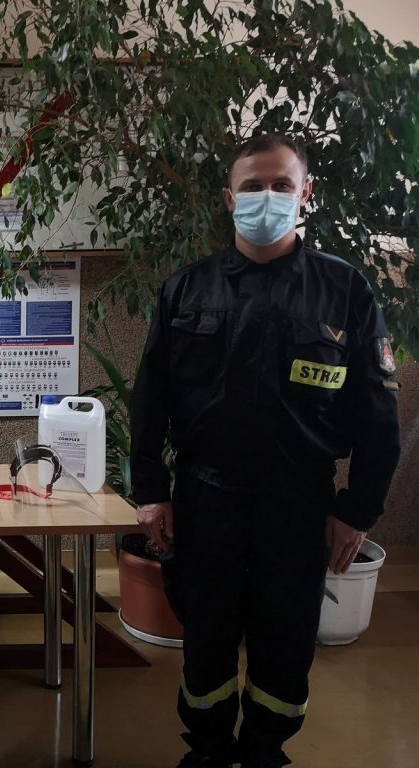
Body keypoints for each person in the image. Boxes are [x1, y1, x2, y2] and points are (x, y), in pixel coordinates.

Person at [129, 134, 400, 768]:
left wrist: (357, 511)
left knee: (285, 643)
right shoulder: (186, 290)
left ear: (306, 193)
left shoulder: (345, 291)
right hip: (206, 500)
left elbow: (378, 415)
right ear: (230, 199)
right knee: (207, 639)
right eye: (253, 187)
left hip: (298, 506)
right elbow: (150, 399)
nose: (267, 197)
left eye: (282, 185)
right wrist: (151, 493)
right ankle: (206, 749)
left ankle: (265, 752)